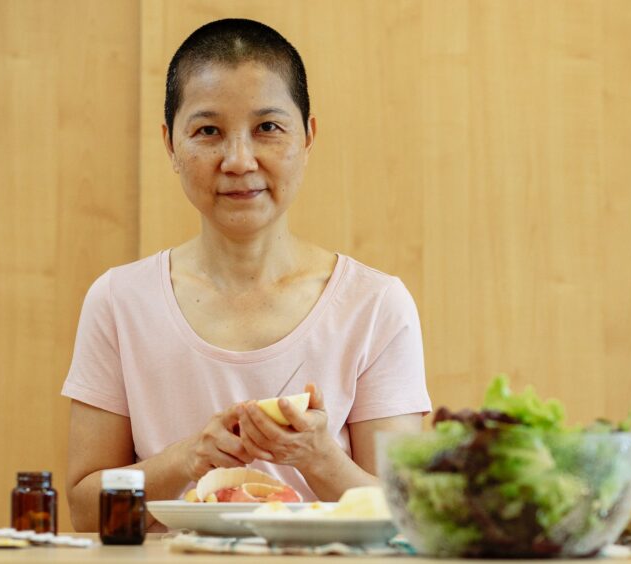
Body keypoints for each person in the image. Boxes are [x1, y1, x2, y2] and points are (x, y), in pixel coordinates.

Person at [62, 18, 431, 531]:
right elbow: (83, 509)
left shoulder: (375, 304)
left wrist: (317, 456)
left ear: (308, 137)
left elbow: (411, 514)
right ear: (171, 144)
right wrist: (190, 457)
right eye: (208, 131)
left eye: (268, 128)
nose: (238, 161)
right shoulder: (118, 300)